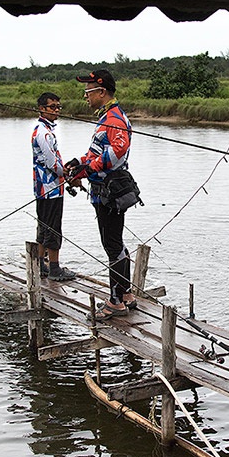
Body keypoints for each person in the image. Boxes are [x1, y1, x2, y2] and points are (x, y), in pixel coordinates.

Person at [65, 69, 137, 320]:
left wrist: (88, 168)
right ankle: (126, 294)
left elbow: (116, 153)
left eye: (88, 92)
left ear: (101, 91)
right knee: (115, 242)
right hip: (104, 189)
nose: (85, 96)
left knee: (112, 245)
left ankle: (116, 301)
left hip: (109, 191)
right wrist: (80, 163)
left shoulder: (114, 118)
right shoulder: (107, 116)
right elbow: (97, 153)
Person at [31, 92, 76, 281]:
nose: (56, 110)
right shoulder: (44, 133)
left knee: (43, 225)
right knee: (53, 227)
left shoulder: (41, 129)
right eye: (52, 107)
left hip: (43, 187)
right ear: (42, 109)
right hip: (50, 188)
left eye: (58, 107)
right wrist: (67, 173)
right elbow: (52, 163)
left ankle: (41, 264)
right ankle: (55, 269)